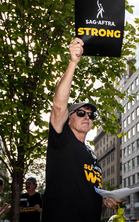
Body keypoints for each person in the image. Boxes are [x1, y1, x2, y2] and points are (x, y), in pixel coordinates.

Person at [42, 37, 121, 222]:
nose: (87, 116)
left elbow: (85, 189)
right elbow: (58, 106)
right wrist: (73, 62)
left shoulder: (91, 154)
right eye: (80, 113)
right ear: (68, 119)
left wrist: (105, 199)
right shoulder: (62, 140)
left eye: (91, 115)